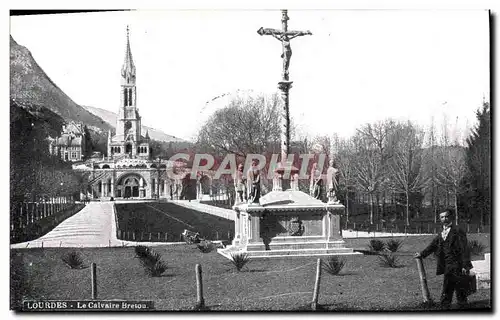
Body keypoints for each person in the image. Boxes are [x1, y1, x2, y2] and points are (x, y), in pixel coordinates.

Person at [414, 208, 473, 309]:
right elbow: (433, 245)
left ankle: (454, 307)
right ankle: (451, 306)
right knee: (452, 287)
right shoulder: (442, 232)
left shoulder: (458, 231)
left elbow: (464, 249)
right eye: (442, 217)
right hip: (447, 264)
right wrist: (422, 254)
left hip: (457, 264)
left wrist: (465, 265)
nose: (444, 219)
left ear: (451, 217)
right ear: (439, 219)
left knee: (455, 288)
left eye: (446, 216)